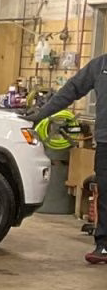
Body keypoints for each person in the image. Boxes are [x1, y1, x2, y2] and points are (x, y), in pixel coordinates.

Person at [29, 54, 107, 264]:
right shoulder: (101, 65)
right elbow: (71, 89)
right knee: (106, 193)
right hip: (105, 141)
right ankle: (103, 246)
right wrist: (41, 115)